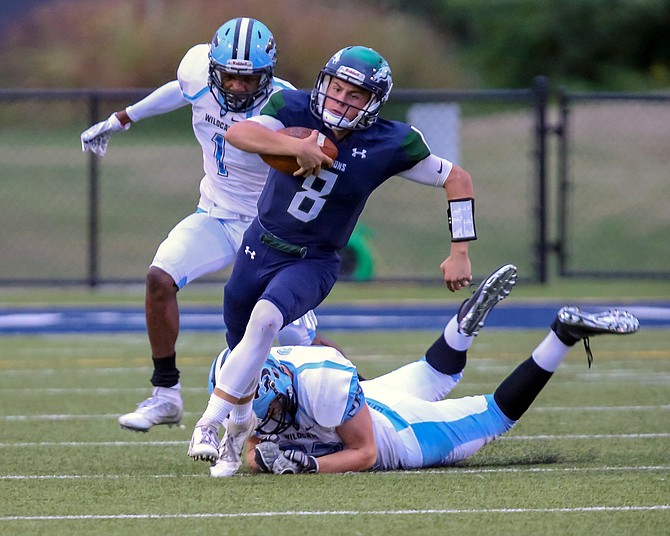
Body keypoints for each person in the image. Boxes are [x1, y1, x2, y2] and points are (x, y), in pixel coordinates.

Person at [188, 45, 479, 469]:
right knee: (241, 351)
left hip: (315, 258)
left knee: (266, 320)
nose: (341, 100)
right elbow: (238, 135)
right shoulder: (293, 106)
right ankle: (235, 435)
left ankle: (208, 424)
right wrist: (295, 148)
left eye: (354, 95)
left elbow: (458, 178)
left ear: (373, 103)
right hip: (260, 244)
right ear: (324, 83)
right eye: (337, 88)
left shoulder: (391, 142)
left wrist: (460, 251)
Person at [80, 17, 328, 434]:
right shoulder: (196, 71)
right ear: (213, 68)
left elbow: (322, 161)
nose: (237, 88)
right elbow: (179, 92)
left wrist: (304, 154)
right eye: (228, 77)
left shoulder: (288, 105)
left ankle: (354, 396)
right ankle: (165, 395)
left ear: (267, 76)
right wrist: (123, 118)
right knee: (160, 278)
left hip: (270, 230)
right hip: (215, 212)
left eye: (249, 81)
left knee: (296, 340)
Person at [204, 264, 640, 476]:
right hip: (365, 400)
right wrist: (261, 460)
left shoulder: (321, 381)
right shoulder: (260, 377)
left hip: (397, 434)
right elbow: (252, 446)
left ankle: (561, 334)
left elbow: (366, 454)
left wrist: (312, 467)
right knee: (436, 373)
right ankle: (462, 326)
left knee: (494, 417)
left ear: (278, 385)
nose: (265, 421)